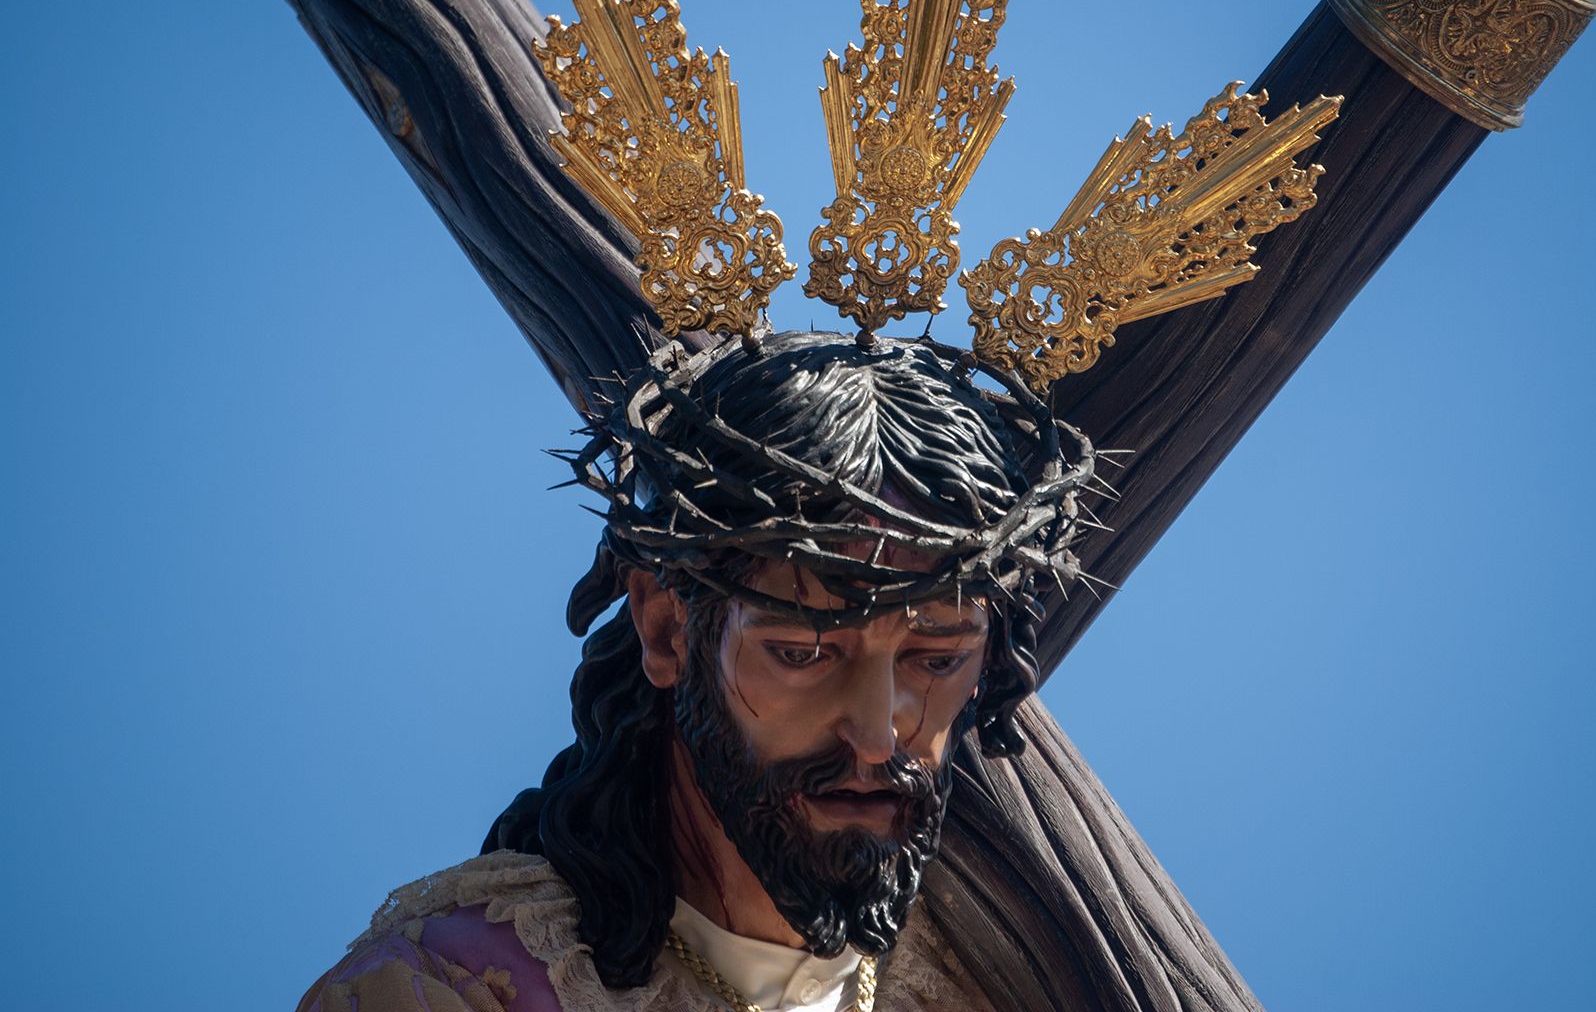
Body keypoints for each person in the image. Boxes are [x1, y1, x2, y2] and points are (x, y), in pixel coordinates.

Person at [298, 331, 1094, 1012]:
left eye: (936, 659)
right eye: (804, 652)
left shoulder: (1007, 980)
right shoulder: (464, 983)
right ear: (667, 628)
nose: (878, 733)